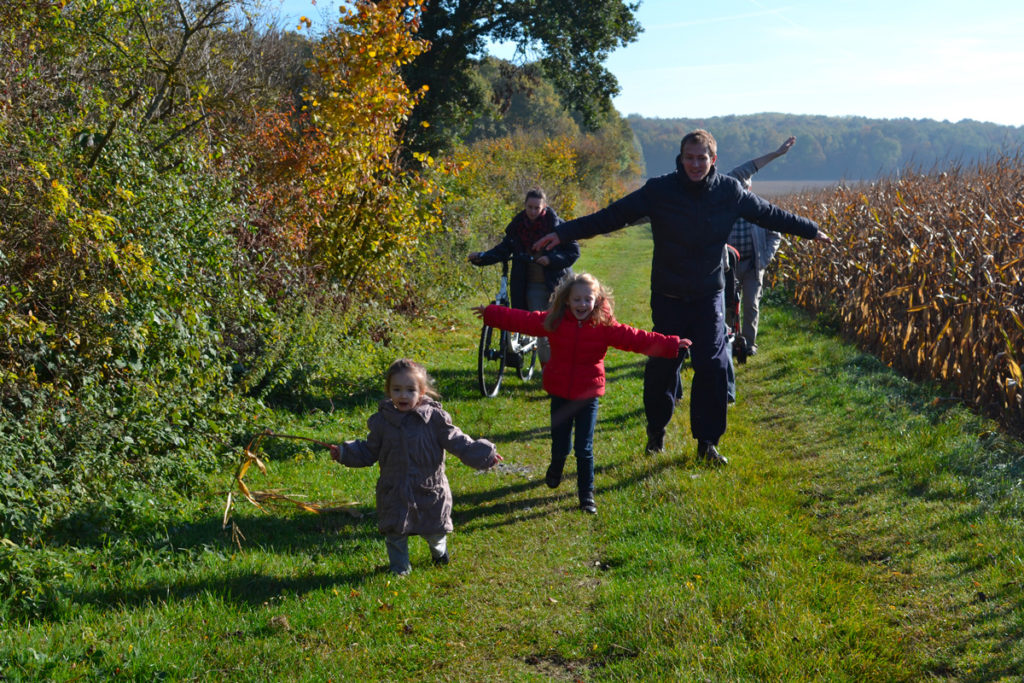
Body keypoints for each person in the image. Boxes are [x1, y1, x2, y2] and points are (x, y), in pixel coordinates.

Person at [533, 129, 831, 466]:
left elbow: (768, 213)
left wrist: (809, 228)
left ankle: (707, 442)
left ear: (713, 160)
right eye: (689, 157)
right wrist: (562, 233)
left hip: (708, 296)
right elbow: (612, 216)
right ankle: (656, 430)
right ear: (681, 158)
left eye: (701, 158)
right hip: (669, 296)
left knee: (714, 366)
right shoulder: (660, 190)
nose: (695, 164)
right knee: (663, 364)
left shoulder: (729, 192)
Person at [473, 272, 690, 514]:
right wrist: (491, 314)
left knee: (584, 448)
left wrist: (671, 344)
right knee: (560, 444)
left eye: (588, 299)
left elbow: (636, 339)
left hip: (588, 395)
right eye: (577, 299)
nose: (582, 305)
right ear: (567, 300)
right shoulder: (554, 321)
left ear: (597, 300)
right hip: (560, 393)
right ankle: (556, 466)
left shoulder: (605, 326)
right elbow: (524, 320)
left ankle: (587, 497)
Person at [327, 359, 502, 576]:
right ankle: (400, 569)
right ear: (389, 391)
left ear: (422, 392)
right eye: (397, 389)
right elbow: (369, 450)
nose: (403, 395)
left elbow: (458, 441)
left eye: (410, 390)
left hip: (429, 489)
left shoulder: (435, 419)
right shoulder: (383, 422)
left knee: (434, 531)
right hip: (394, 489)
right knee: (394, 532)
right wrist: (345, 452)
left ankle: (439, 553)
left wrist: (484, 454)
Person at [468, 188, 580, 365]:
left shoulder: (558, 227)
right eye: (530, 207)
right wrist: (481, 258)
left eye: (537, 207)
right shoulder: (517, 228)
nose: (533, 211)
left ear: (545, 206)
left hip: (557, 284)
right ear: (525, 206)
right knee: (541, 330)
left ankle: (559, 369)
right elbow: (503, 250)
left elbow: (573, 252)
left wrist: (550, 259)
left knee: (557, 328)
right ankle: (548, 373)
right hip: (531, 285)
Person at [726, 136, 796, 355]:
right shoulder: (725, 207)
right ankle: (728, 342)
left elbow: (775, 235)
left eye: (745, 188)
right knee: (728, 306)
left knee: (751, 306)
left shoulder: (759, 208)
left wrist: (765, 259)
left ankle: (749, 344)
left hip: (753, 264)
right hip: (728, 265)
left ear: (750, 188)